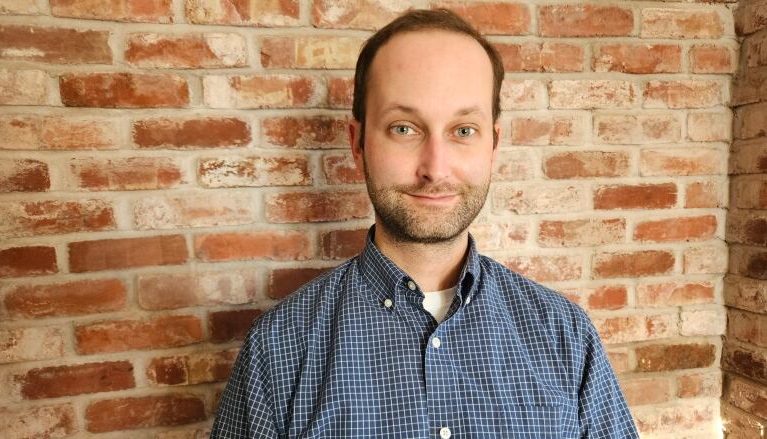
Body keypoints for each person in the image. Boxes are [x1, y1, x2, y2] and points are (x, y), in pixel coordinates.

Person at [211, 8, 638, 438]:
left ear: (493, 144)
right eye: (404, 129)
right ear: (357, 144)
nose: (435, 169)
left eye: (463, 131)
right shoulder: (280, 348)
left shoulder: (566, 336)